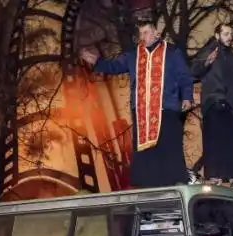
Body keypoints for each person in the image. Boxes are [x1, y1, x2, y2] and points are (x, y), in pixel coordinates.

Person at [81, 18, 193, 188]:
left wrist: (186, 96)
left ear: (156, 32)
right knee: (144, 151)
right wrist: (97, 62)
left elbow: (184, 77)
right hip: (142, 112)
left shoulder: (171, 52)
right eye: (141, 33)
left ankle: (174, 181)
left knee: (169, 146)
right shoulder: (134, 55)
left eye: (146, 32)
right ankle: (147, 184)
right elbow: (114, 66)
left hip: (166, 108)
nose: (143, 36)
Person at [190, 22, 233, 188]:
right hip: (213, 99)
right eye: (226, 34)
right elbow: (193, 70)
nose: (229, 37)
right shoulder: (210, 49)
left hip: (228, 103)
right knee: (214, 137)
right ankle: (215, 175)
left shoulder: (231, 57)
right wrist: (206, 63)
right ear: (217, 35)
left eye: (231, 34)